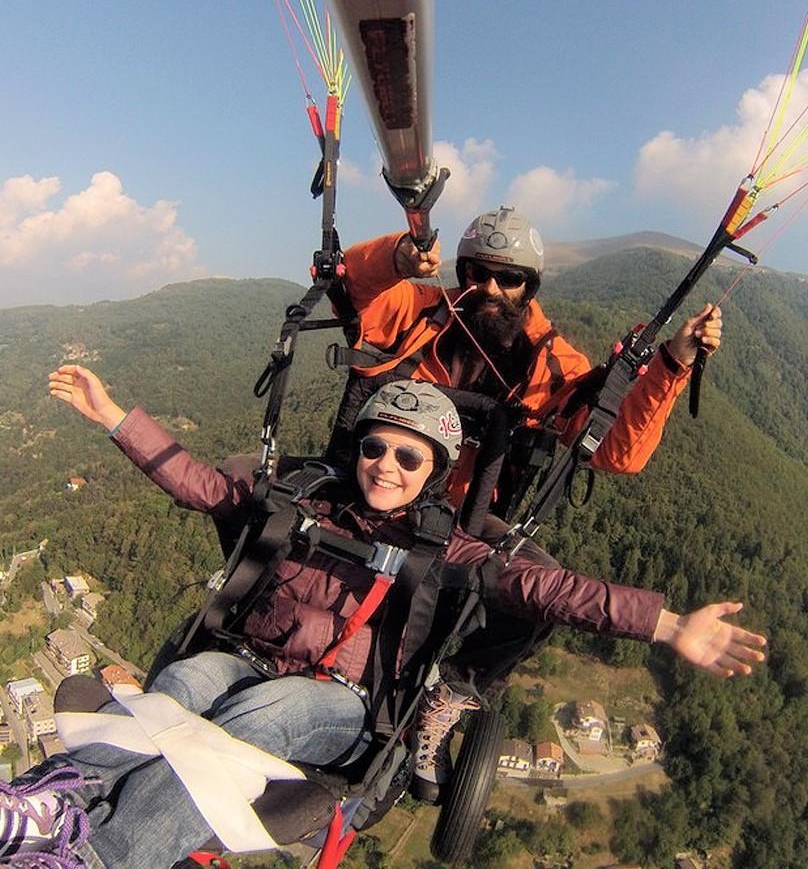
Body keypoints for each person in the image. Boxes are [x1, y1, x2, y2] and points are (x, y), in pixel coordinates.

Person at [0, 369, 763, 869]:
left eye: (410, 458)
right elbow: (203, 487)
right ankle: (55, 798)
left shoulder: (451, 550)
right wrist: (113, 415)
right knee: (191, 678)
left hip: (339, 705)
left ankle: (105, 854)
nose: (386, 467)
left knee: (268, 708)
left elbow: (549, 593)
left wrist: (665, 625)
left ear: (437, 472)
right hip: (244, 659)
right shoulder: (306, 504)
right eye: (376, 448)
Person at [338, 206, 724, 798]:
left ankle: (451, 695)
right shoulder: (417, 312)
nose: (490, 289)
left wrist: (670, 364)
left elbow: (617, 450)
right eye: (477, 273)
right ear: (460, 272)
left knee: (537, 590)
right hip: (374, 488)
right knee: (246, 486)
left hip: (460, 518)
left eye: (508, 278)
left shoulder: (550, 364)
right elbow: (349, 286)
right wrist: (399, 254)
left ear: (529, 287)